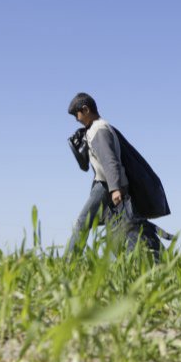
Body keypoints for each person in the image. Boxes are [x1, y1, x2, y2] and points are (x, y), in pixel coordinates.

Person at [66, 92, 163, 256]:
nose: (76, 119)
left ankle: (69, 262)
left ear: (86, 109)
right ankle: (119, 264)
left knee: (83, 222)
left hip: (105, 186)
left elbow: (110, 160)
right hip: (108, 185)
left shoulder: (99, 129)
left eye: (77, 114)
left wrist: (115, 188)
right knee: (116, 229)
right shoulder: (96, 129)